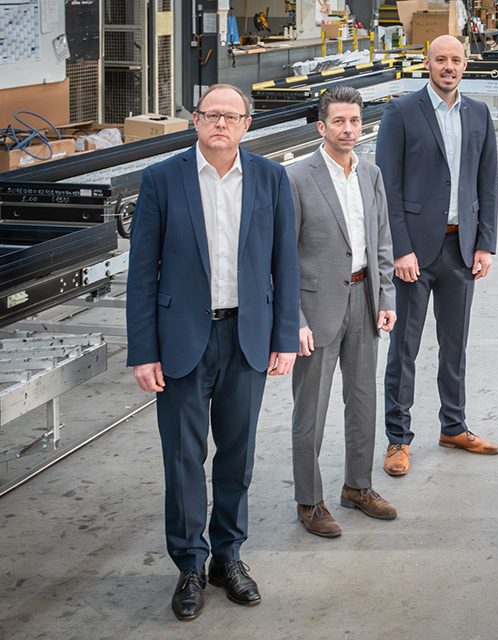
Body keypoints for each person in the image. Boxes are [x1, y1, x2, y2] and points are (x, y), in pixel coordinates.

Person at [125, 84, 299, 620]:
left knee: (237, 455)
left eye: (231, 116)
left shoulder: (270, 179)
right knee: (183, 457)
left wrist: (284, 337)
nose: (220, 123)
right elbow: (142, 273)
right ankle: (189, 565)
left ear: (247, 124)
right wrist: (143, 351)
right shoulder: (161, 179)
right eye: (210, 114)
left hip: (246, 337)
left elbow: (285, 264)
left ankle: (228, 556)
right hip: (181, 341)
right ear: (195, 121)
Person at [376, 34, 498, 476]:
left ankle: (454, 426)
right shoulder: (401, 112)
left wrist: (485, 242)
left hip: (460, 249)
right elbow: (386, 186)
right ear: (426, 63)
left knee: (454, 345)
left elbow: (487, 182)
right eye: (440, 59)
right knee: (404, 348)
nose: (448, 66)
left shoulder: (478, 113)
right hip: (415, 254)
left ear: (466, 64)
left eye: (456, 59)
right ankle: (398, 438)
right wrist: (400, 249)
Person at [287, 86, 399, 538]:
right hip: (316, 308)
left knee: (364, 401)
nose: (348, 129)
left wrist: (386, 297)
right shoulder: (297, 178)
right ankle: (309, 500)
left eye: (354, 121)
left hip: (364, 299)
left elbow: (382, 240)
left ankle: (358, 486)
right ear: (322, 127)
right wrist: (294, 319)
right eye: (339, 121)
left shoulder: (371, 174)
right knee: (310, 410)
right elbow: (282, 256)